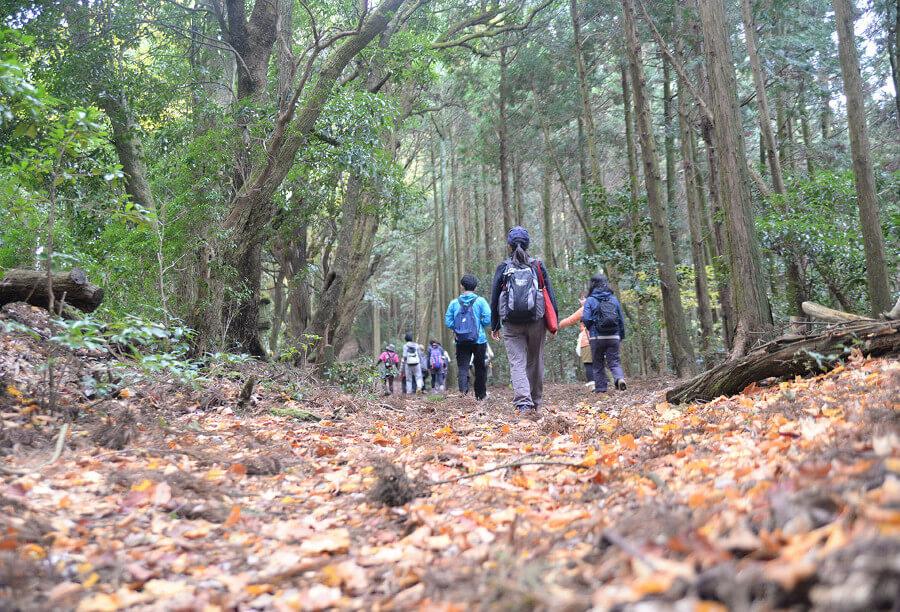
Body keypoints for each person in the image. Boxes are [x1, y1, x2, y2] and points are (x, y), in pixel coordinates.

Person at [490, 227, 557, 417]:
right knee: (535, 361)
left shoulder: (503, 267)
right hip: (536, 319)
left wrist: (495, 324)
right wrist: (554, 322)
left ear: (509, 246)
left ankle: (523, 404)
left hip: (511, 323)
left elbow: (495, 297)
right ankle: (535, 402)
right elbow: (549, 294)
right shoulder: (537, 265)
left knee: (517, 363)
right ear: (528, 245)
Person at [445, 273, 492, 400]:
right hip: (479, 339)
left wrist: (458, 329)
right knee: (480, 367)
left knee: (462, 367)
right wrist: (480, 325)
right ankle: (480, 396)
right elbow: (488, 318)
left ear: (462, 287)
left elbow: (448, 321)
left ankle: (463, 393)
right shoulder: (481, 301)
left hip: (460, 340)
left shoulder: (454, 303)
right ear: (475, 287)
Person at [581, 273, 627, 393]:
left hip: (597, 336)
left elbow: (586, 318)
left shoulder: (590, 300)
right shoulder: (613, 299)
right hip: (614, 335)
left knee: (598, 363)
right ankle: (619, 378)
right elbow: (621, 319)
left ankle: (601, 389)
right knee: (614, 361)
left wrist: (591, 327)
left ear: (592, 285)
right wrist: (621, 335)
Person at [559, 293, 595, 389]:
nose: (581, 300)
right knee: (598, 362)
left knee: (588, 362)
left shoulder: (585, 308)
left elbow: (570, 320)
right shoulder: (598, 305)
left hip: (587, 339)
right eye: (580, 298)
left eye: (583, 298)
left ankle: (593, 385)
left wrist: (557, 325)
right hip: (600, 338)